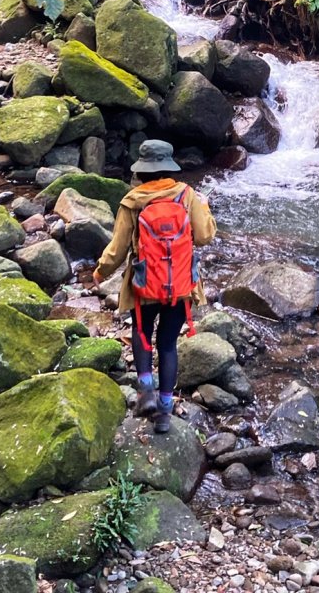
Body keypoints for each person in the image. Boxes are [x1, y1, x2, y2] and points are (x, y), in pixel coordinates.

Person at [93, 140, 216, 433]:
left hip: (144, 283)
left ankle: (145, 388)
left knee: (142, 332)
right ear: (169, 168)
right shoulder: (187, 196)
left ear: (143, 171)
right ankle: (163, 413)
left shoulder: (132, 200)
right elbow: (204, 236)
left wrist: (100, 272)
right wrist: (205, 207)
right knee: (168, 344)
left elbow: (118, 249)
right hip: (180, 286)